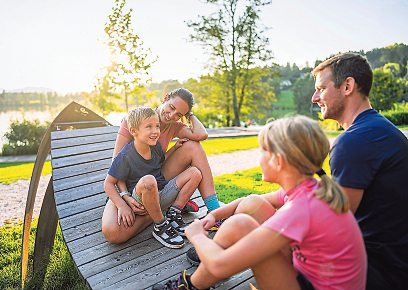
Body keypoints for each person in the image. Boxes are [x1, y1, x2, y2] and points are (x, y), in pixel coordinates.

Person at [153, 116, 367, 290]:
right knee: (242, 220)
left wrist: (196, 234)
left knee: (221, 258)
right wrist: (214, 215)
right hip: (308, 274)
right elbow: (249, 201)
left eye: (263, 152)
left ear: (279, 160)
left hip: (309, 283)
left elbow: (219, 265)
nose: (260, 158)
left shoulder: (301, 210)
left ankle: (195, 280)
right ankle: (192, 285)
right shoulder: (309, 189)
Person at [311, 53, 408, 289]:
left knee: (264, 247)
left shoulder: (354, 141)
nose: (315, 98)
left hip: (377, 272)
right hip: (394, 262)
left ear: (347, 86)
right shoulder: (379, 128)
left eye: (321, 89)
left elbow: (334, 225)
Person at [103, 88, 222, 243]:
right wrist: (124, 197)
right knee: (113, 233)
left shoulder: (173, 126)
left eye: (179, 114)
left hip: (154, 181)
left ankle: (215, 212)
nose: (172, 116)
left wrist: (189, 115)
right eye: (172, 108)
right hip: (128, 186)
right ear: (166, 98)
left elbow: (201, 135)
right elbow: (116, 165)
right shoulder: (134, 121)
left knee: (194, 146)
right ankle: (162, 210)